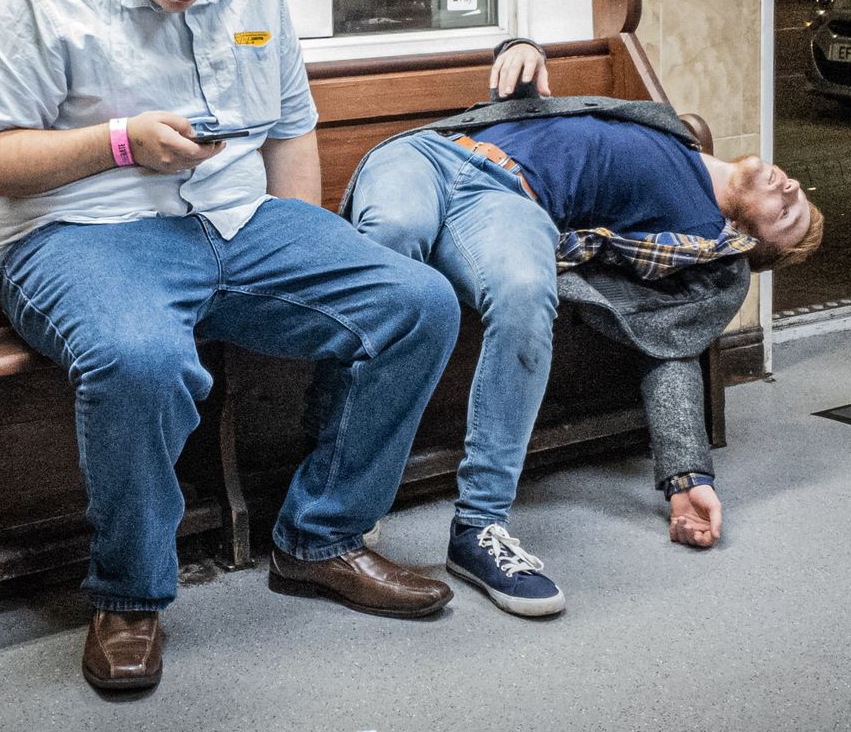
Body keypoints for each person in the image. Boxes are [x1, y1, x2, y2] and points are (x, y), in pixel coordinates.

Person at [0, 0, 462, 691]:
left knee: (417, 302)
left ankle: (322, 539)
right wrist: (116, 144)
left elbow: (292, 127)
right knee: (140, 358)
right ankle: (130, 597)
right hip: (77, 234)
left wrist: (305, 246)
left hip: (234, 221)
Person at [332, 39, 825, 618]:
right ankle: (344, 503)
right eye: (798, 194)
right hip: (430, 156)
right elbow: (535, 101)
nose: (791, 189)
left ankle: (479, 528)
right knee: (394, 235)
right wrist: (520, 49)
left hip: (510, 204)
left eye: (787, 216)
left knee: (525, 293)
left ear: (750, 243)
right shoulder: (673, 131)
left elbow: (671, 342)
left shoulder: (701, 250)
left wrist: (685, 473)